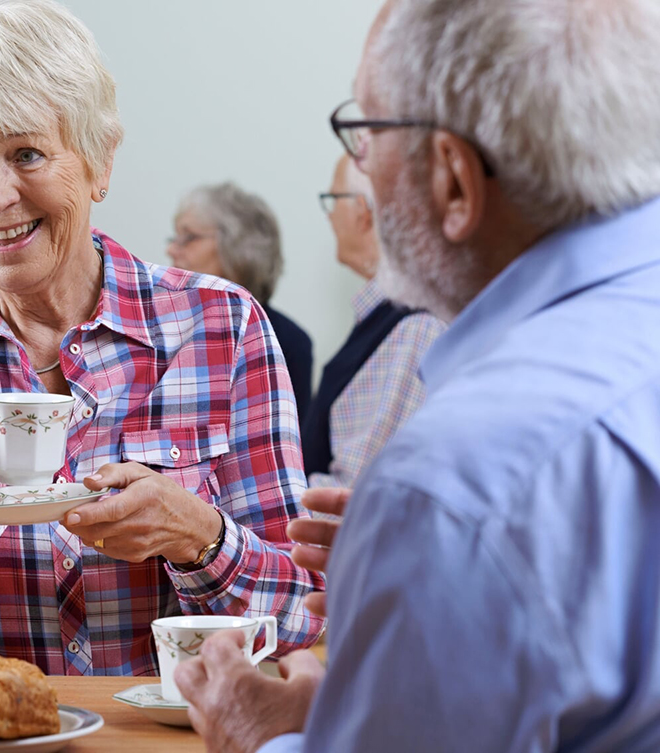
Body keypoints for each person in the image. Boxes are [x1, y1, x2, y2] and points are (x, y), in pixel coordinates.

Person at [176, 0, 660, 750]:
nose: (359, 173)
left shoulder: (450, 487)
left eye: (366, 133)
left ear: (454, 182)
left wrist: (253, 735)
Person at [0, 0, 324, 677]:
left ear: (98, 162)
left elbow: (298, 618)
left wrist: (201, 538)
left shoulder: (222, 328)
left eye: (26, 153)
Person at [301, 156, 445, 489]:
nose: (329, 215)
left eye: (333, 200)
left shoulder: (414, 328)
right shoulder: (387, 319)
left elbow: (354, 493)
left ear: (363, 212)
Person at [168, 183, 314, 417]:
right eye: (174, 237)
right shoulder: (163, 329)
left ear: (238, 249)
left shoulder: (287, 343)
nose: (172, 250)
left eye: (189, 237)